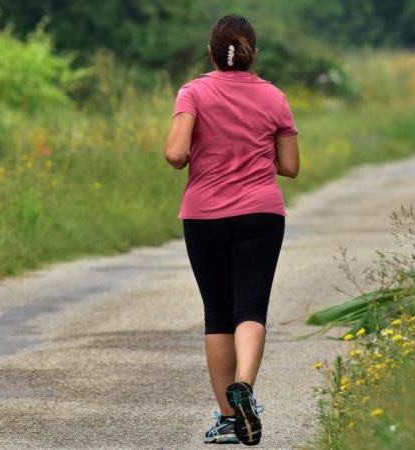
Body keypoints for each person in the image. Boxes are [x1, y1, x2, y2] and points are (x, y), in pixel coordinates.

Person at [163, 14, 300, 446]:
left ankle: (227, 417)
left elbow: (175, 154)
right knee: (251, 308)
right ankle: (245, 386)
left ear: (211, 52)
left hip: (204, 216)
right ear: (252, 53)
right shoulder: (274, 97)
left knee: (217, 313)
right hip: (261, 213)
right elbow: (291, 167)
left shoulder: (194, 92)